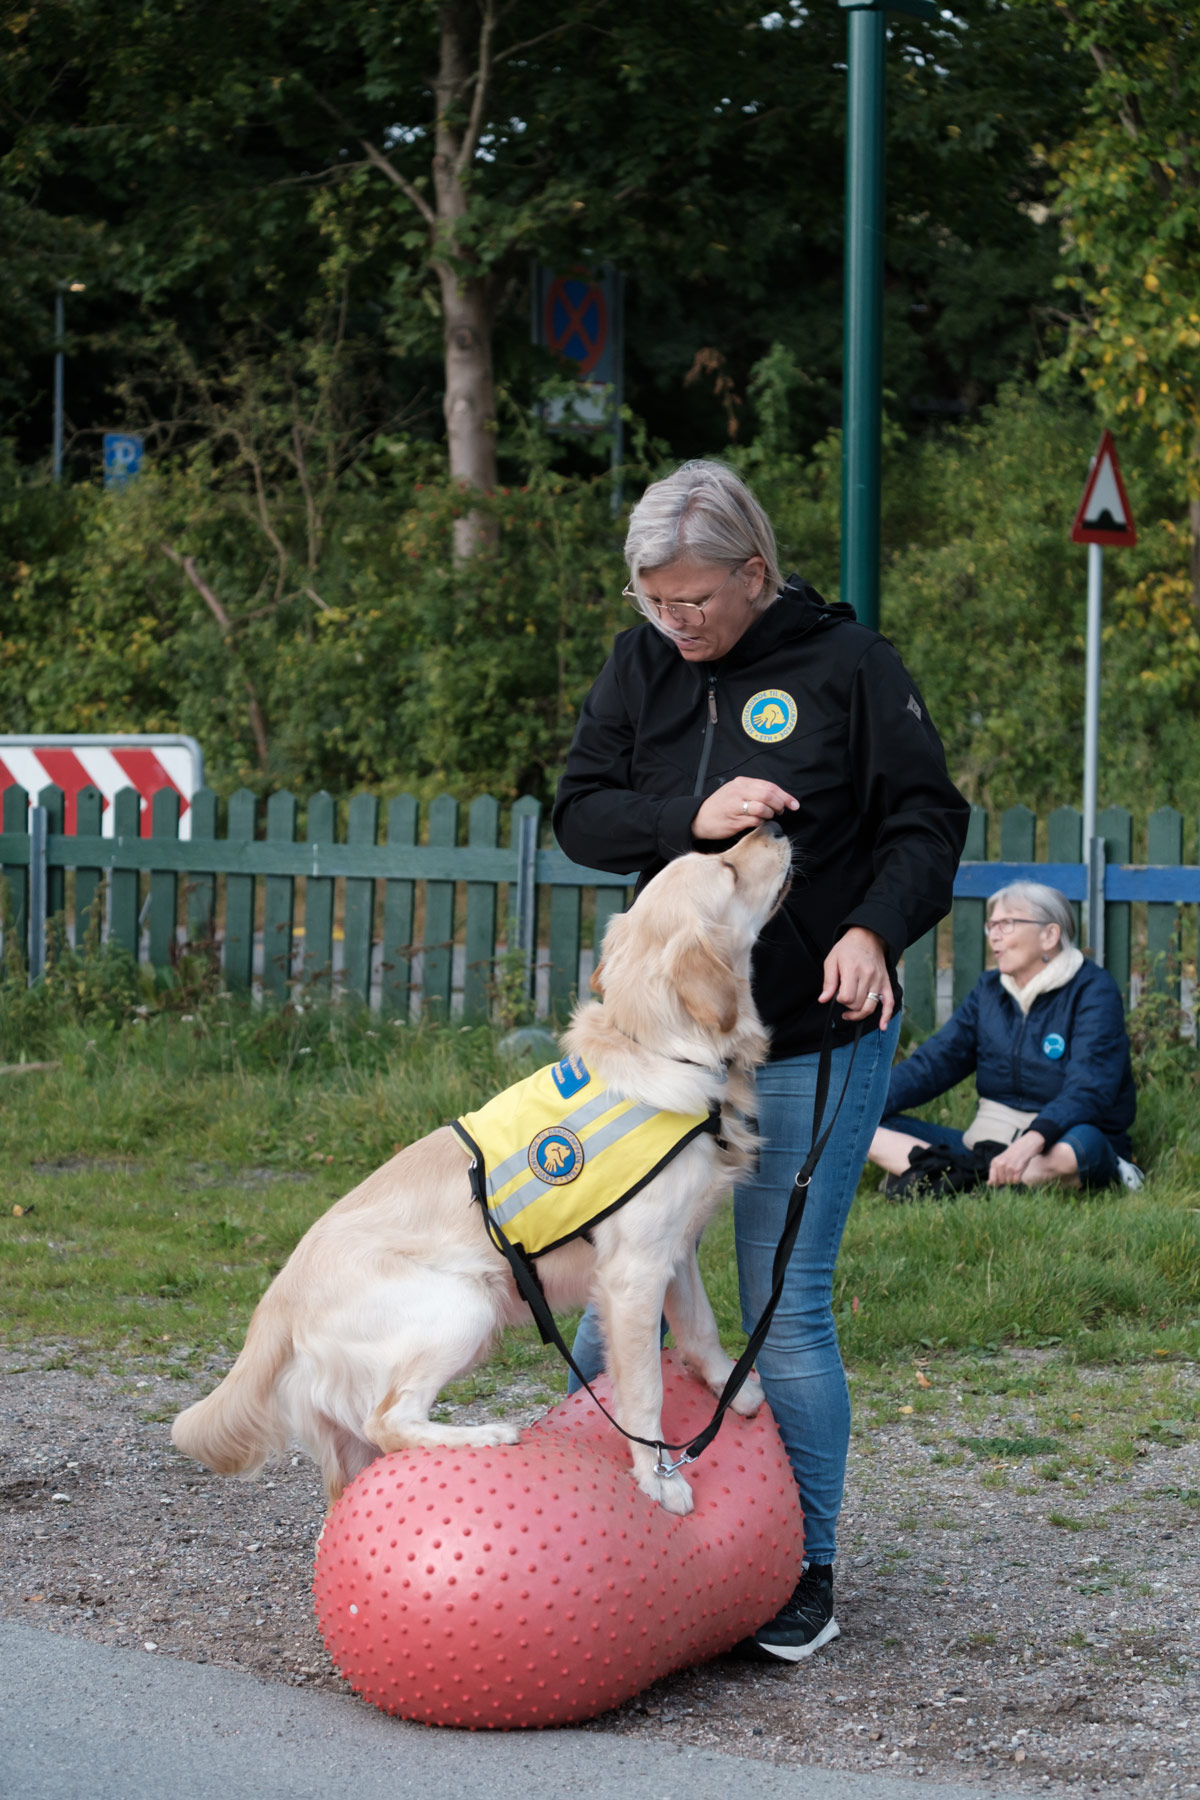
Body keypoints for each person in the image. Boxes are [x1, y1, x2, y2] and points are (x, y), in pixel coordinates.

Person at [552, 459, 969, 1661]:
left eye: (696, 601)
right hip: (665, 1059)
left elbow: (928, 824)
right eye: (654, 602)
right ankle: (594, 1526)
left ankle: (809, 1568)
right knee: (620, 1285)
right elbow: (581, 812)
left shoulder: (850, 667)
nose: (675, 625)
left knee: (784, 1311)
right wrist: (686, 821)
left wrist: (871, 930)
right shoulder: (640, 670)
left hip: (812, 1041)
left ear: (755, 571)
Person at [869, 882, 1140, 1194]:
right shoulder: (989, 991)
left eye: (1007, 924)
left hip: (1056, 1142)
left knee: (1081, 1147)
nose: (994, 935)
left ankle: (948, 1178)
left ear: (1049, 935)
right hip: (983, 1144)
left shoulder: (1093, 991)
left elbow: (1089, 1089)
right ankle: (983, 1180)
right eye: (991, 925)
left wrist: (1029, 1143)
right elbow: (933, 1065)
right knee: (863, 1127)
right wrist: (863, 1104)